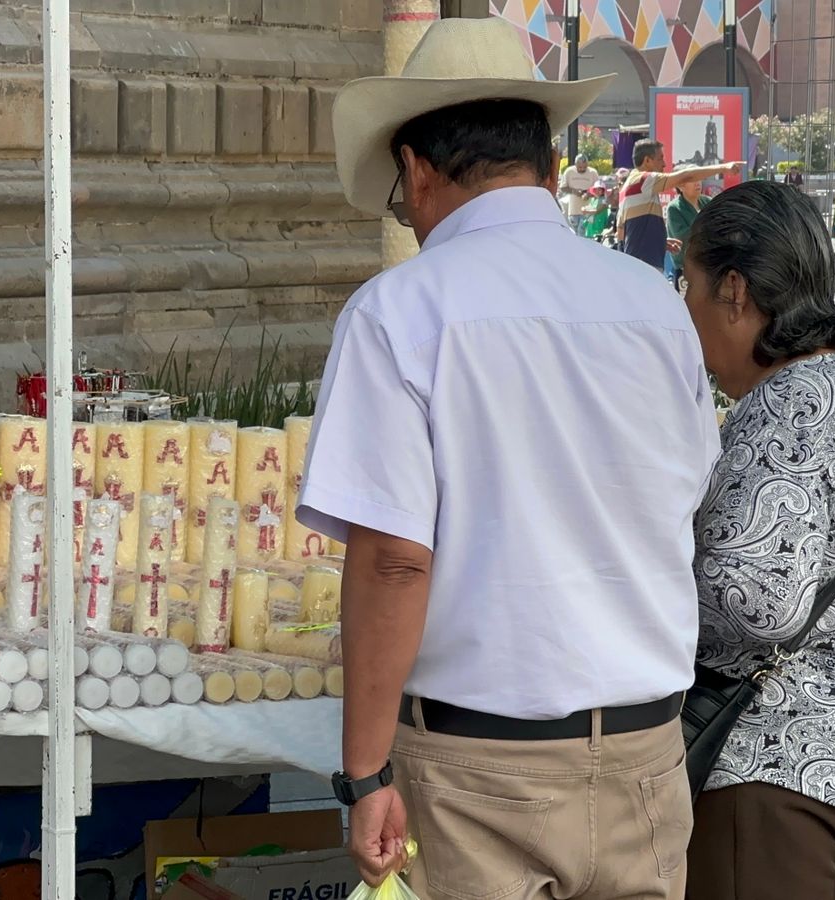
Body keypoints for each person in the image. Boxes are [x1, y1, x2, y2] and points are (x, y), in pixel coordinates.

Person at [307, 18, 719, 895]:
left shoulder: (398, 313)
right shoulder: (654, 306)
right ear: (551, 168)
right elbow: (687, 500)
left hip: (478, 772)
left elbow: (392, 561)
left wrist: (366, 775)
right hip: (647, 755)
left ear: (417, 171)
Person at [679, 180, 835, 900]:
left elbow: (762, 602)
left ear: (734, 291)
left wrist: (646, 581)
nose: (685, 312)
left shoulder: (785, 405)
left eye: (688, 286)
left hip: (773, 761)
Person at [619, 139, 742, 272]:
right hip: (644, 265)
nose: (664, 164)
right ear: (647, 160)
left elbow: (622, 232)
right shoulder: (643, 180)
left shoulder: (627, 187)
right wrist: (724, 168)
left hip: (638, 263)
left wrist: (659, 241)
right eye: (660, 158)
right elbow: (686, 176)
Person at [665, 178, 710, 289]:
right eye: (692, 180)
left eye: (699, 178)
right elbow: (683, 237)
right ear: (680, 186)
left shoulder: (708, 202)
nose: (697, 183)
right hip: (686, 269)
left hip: (709, 268)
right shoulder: (674, 208)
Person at [559, 153, 600, 232]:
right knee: (574, 234)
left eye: (584, 167)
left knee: (583, 234)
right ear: (575, 165)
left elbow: (599, 190)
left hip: (587, 211)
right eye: (580, 167)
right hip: (573, 210)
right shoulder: (569, 171)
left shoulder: (593, 173)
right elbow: (562, 187)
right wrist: (574, 191)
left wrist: (588, 194)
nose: (582, 169)